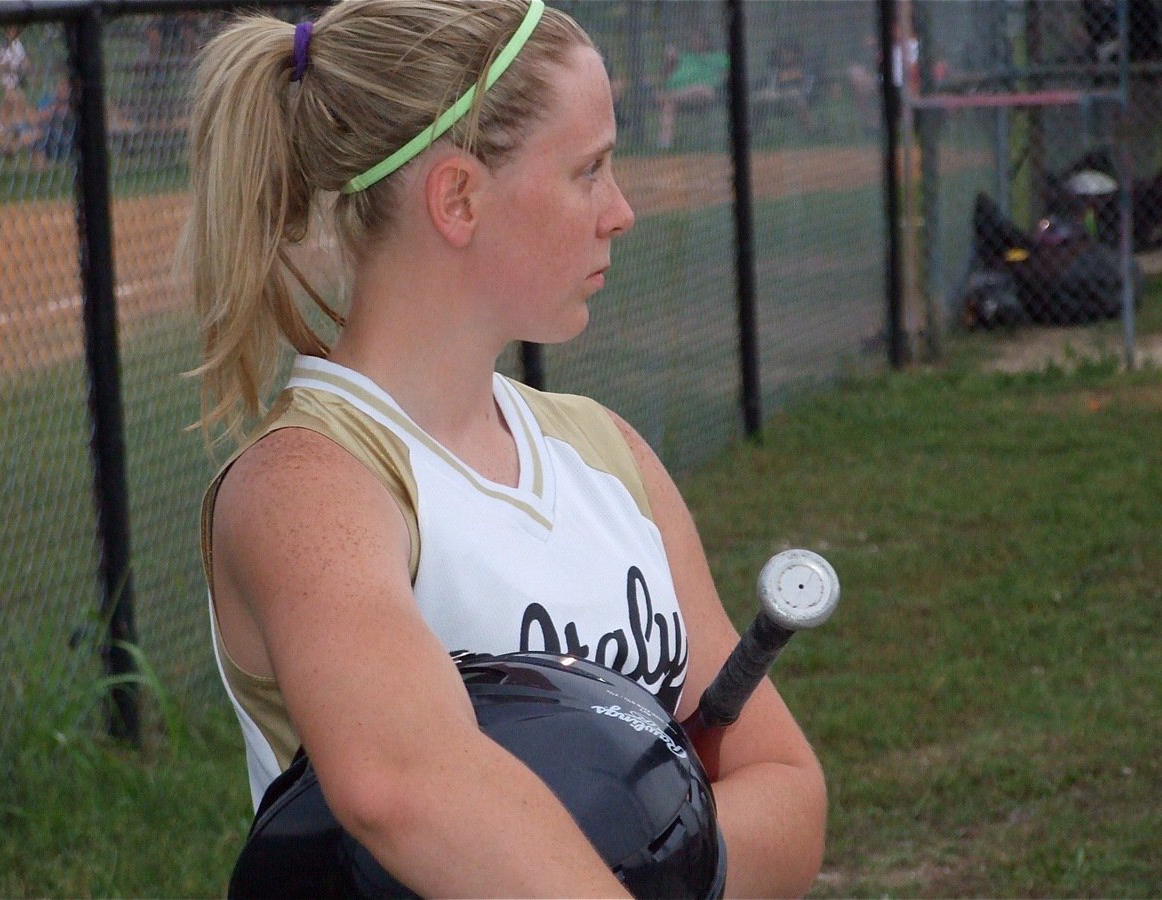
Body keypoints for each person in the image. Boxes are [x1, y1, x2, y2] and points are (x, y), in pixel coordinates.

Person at [180, 1, 826, 896]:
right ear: (458, 199)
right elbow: (405, 787)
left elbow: (787, 786)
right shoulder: (309, 489)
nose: (621, 211)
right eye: (588, 170)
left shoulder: (606, 453)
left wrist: (673, 853)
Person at [656, 28, 729, 150]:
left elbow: (728, 75)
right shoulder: (684, 57)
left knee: (700, 89)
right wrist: (669, 61)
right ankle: (664, 143)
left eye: (698, 39)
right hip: (682, 98)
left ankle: (666, 96)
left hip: (707, 95)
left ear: (706, 41)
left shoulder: (718, 57)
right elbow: (667, 76)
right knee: (669, 104)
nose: (695, 41)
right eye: (693, 39)